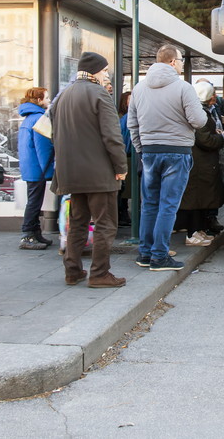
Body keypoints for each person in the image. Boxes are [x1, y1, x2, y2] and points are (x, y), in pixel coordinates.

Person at [50, 52, 129, 288]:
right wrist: (121, 167)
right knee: (106, 223)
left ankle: (72, 270)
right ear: (95, 70)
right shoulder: (99, 95)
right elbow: (112, 137)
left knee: (78, 222)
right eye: (105, 70)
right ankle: (99, 273)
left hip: (70, 172)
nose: (107, 74)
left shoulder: (64, 94)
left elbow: (53, 131)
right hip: (98, 173)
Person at [127, 44, 207, 271]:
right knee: (168, 206)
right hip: (177, 152)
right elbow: (199, 121)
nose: (181, 64)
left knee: (149, 205)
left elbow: (133, 124)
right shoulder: (183, 88)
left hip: (150, 152)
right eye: (181, 60)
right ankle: (160, 256)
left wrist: (142, 149)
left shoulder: (139, 89)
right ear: (173, 62)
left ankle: (145, 253)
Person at [177, 82, 224, 246]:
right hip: (200, 163)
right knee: (196, 199)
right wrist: (222, 136)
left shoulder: (198, 111)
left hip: (202, 163)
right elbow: (205, 140)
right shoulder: (200, 113)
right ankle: (193, 233)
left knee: (200, 199)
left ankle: (198, 231)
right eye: (213, 94)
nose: (216, 97)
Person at [17, 87, 55, 250]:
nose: (48, 101)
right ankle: (28, 235)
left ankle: (35, 232)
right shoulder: (39, 119)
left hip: (30, 166)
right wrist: (49, 171)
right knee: (34, 203)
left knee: (34, 201)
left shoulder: (29, 118)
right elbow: (43, 148)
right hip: (37, 169)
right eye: (46, 98)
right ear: (39, 101)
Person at [117, 91, 133, 227]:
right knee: (124, 189)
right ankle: (122, 214)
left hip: (126, 155)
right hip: (126, 156)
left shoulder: (123, 118)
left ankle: (123, 214)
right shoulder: (125, 118)